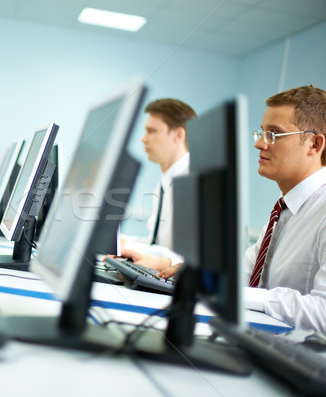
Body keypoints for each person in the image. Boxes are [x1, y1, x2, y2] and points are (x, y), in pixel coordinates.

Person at [125, 85, 326, 334]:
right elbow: (244, 270)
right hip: (259, 340)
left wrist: (245, 296)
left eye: (274, 134)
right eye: (261, 133)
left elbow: (323, 313)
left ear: (314, 144)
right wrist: (200, 276)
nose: (260, 144)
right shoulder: (283, 208)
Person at [120, 98, 196, 268]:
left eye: (151, 131)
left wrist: (130, 246)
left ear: (178, 135)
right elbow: (160, 246)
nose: (143, 139)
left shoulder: (197, 182)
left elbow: (193, 260)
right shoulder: (164, 184)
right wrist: (122, 243)